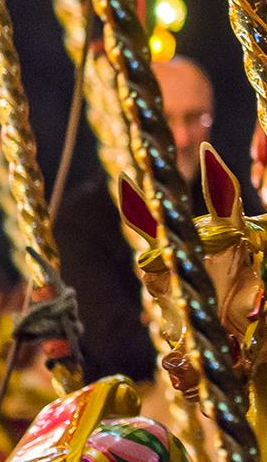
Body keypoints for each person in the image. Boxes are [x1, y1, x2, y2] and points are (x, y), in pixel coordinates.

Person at [54, 55, 229, 382]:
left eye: (195, 119)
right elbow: (118, 345)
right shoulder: (82, 221)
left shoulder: (223, 198)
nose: (181, 138)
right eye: (165, 119)